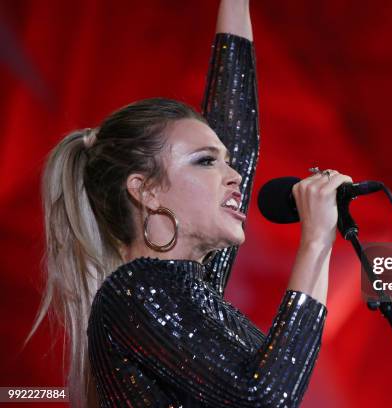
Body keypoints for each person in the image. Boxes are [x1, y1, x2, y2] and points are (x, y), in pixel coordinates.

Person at [28, 1, 353, 406]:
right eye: (205, 161)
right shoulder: (134, 293)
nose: (234, 175)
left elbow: (239, 135)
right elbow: (262, 396)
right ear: (145, 190)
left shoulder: (192, 291)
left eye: (227, 161)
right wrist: (316, 241)